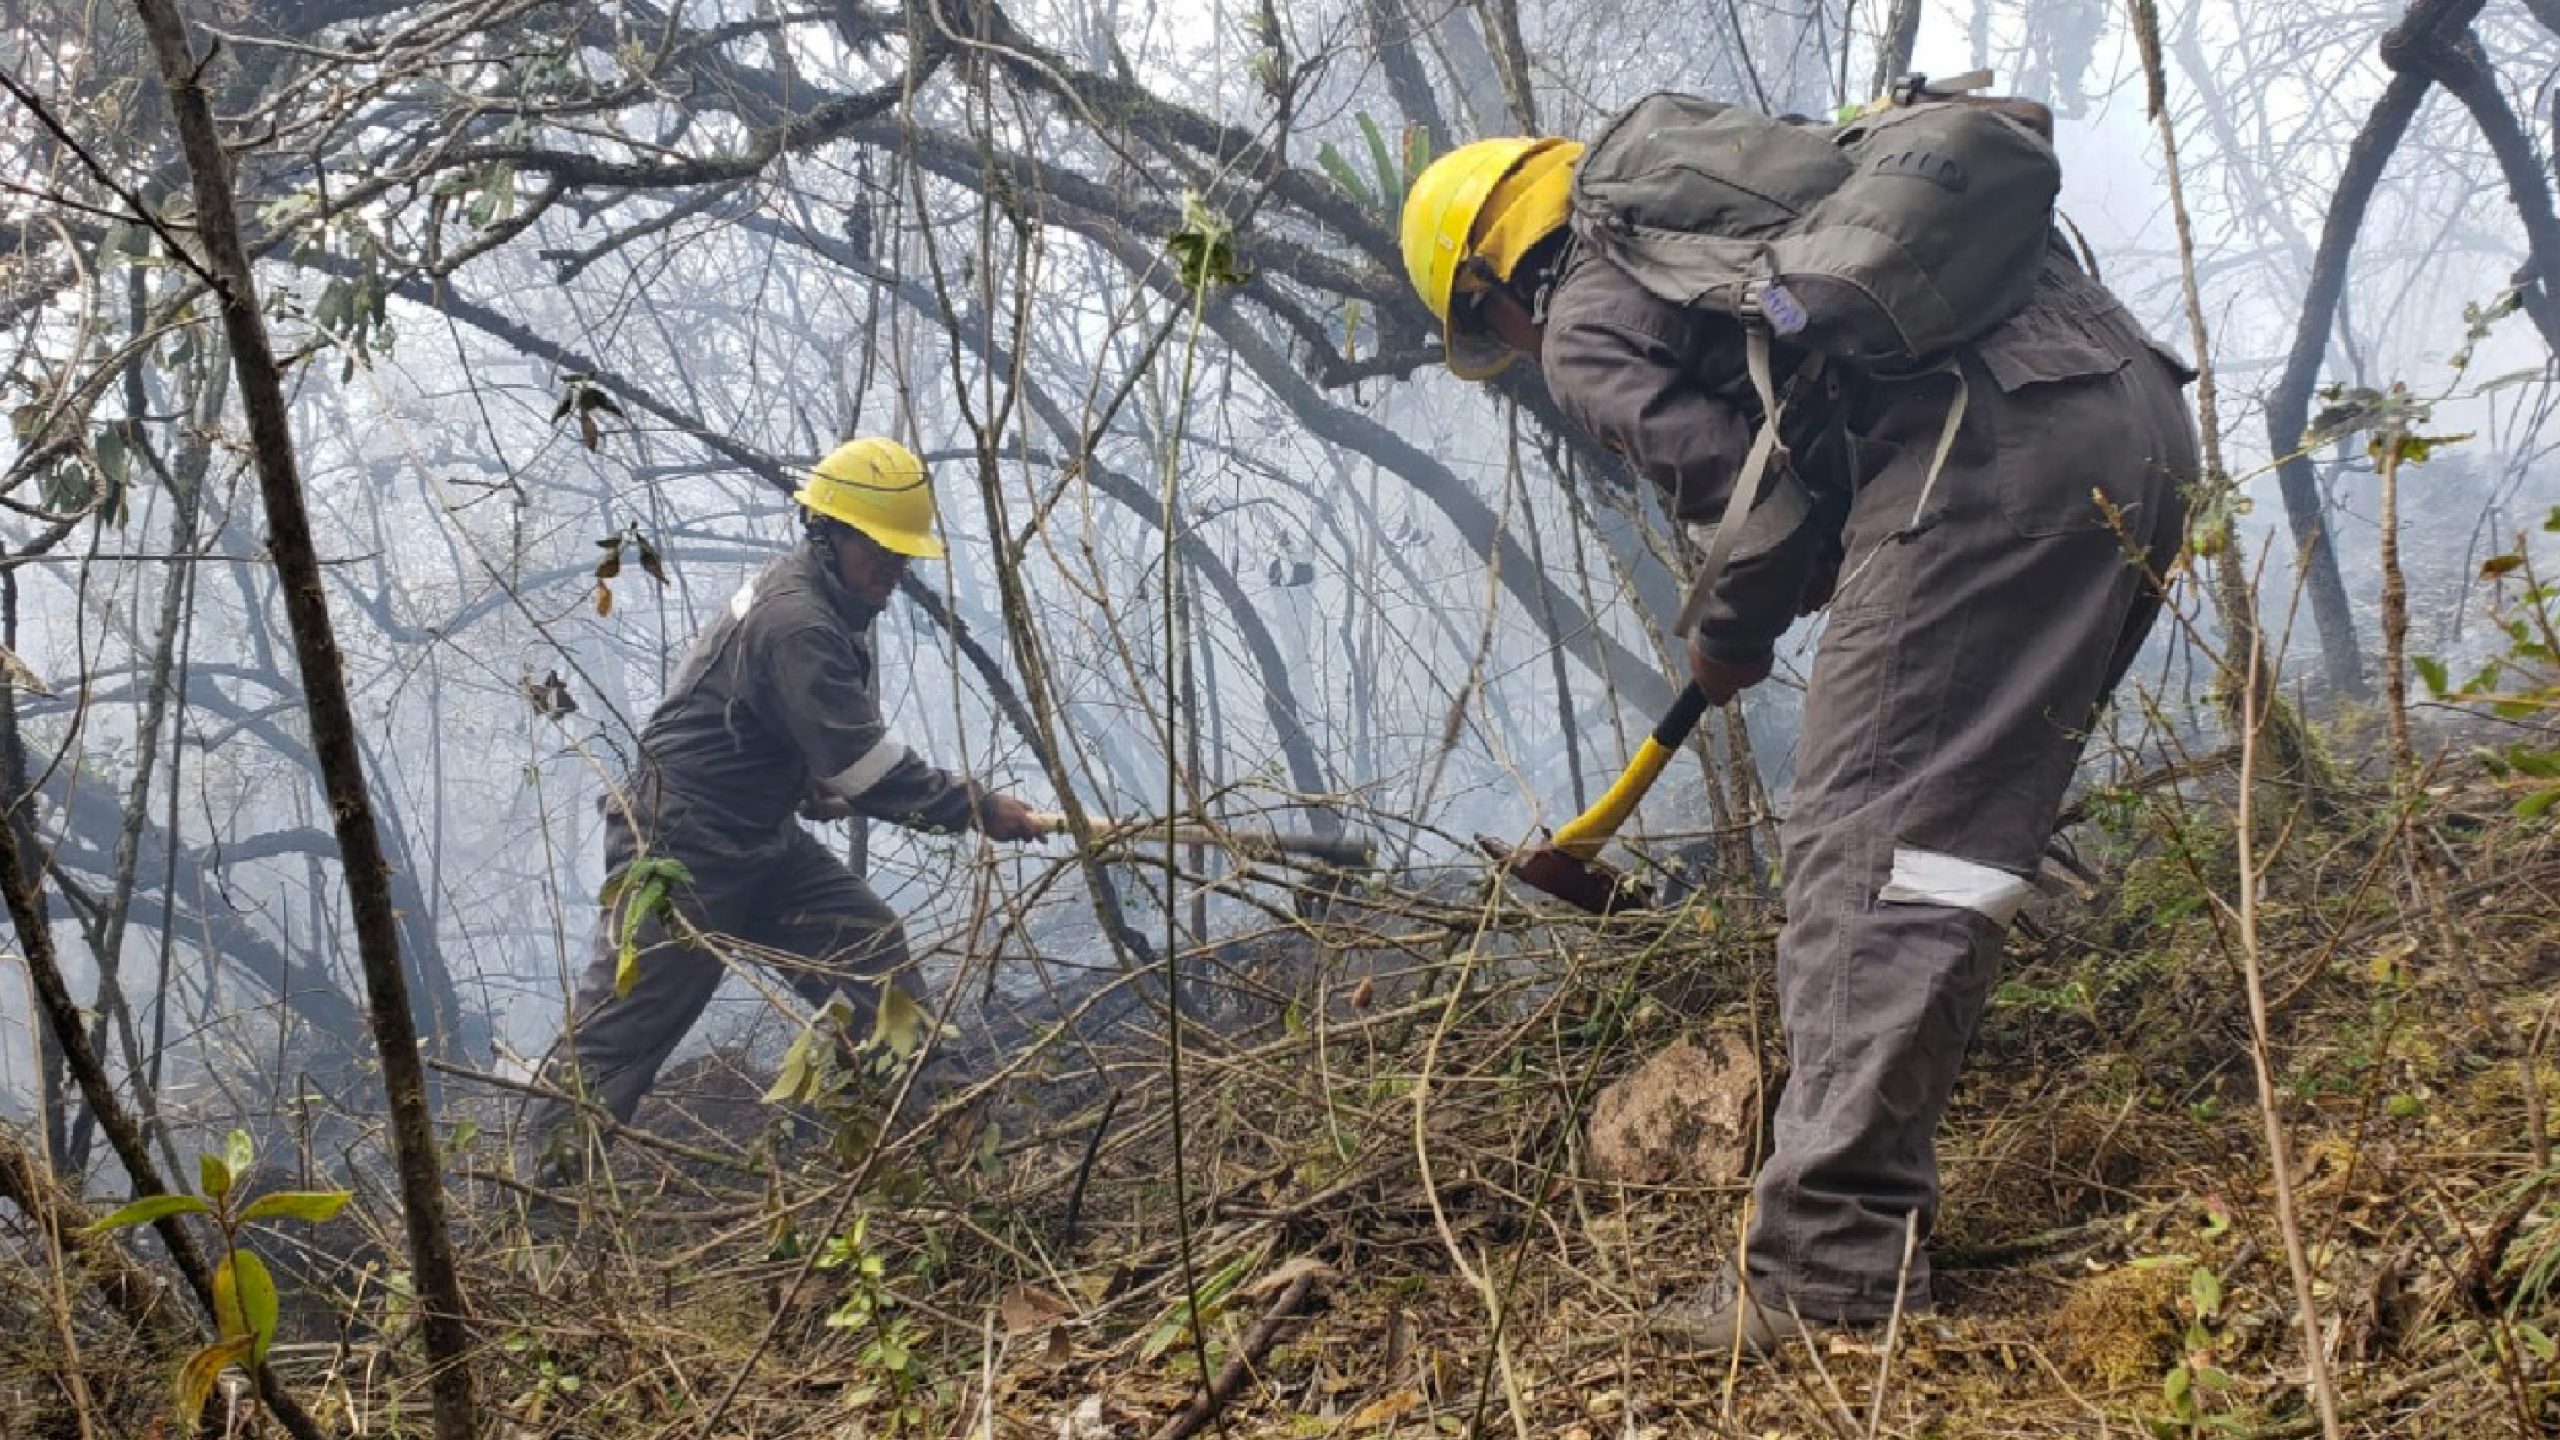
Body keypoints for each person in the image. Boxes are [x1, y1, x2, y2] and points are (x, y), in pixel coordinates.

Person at [1399, 127, 2198, 1349]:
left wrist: (1727, 632)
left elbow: (1763, 519)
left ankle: (1828, 1274)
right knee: (1955, 842)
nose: (1515, 351)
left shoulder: (1583, 320)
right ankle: (1878, 1181)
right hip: (2129, 412)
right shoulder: (1732, 228)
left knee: (1859, 857)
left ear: (1494, 286)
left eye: (1491, 333)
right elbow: (1810, 476)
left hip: (1983, 457)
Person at [522, 436, 1047, 1179]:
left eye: (902, 557)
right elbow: (867, 769)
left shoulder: (817, 601)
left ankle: (953, 1143)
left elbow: (769, 724)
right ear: (827, 533)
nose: (892, 572)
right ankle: (538, 1199)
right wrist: (977, 807)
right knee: (623, 1030)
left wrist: (802, 781)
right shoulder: (799, 621)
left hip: (756, 835)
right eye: (879, 553)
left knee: (867, 950)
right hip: (683, 848)